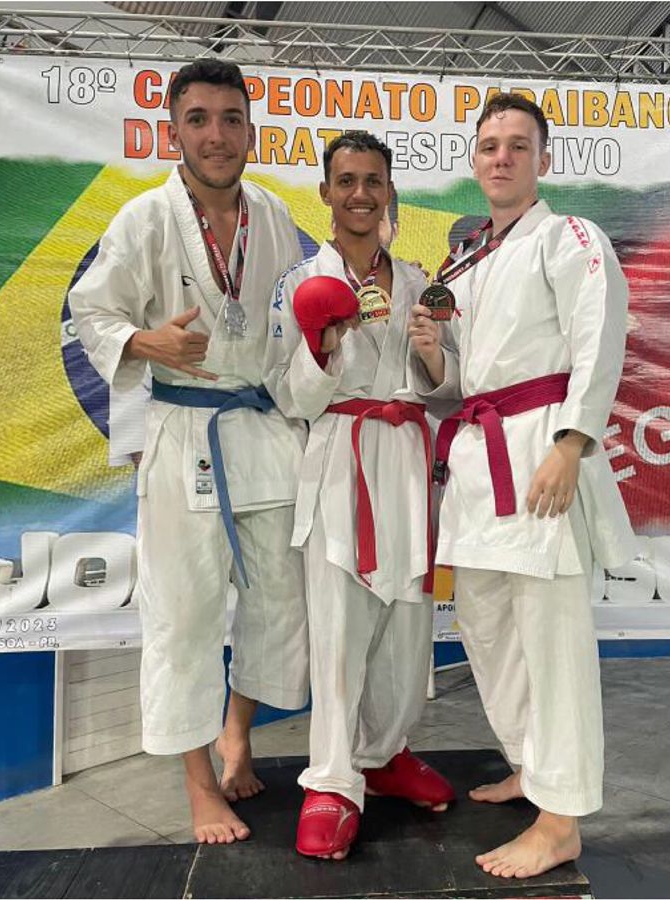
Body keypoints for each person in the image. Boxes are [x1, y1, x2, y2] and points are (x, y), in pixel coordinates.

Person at [65, 57, 309, 844]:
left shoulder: (272, 214)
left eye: (231, 118)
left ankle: (240, 733)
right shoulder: (143, 219)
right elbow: (91, 310)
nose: (216, 134)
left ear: (251, 128)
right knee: (185, 612)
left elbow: (290, 318)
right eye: (198, 120)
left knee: (280, 600)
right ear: (173, 131)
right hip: (182, 434)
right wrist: (144, 339)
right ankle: (200, 781)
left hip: (263, 429)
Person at [408, 93, 633, 879]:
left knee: (550, 636)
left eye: (517, 145)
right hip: (476, 460)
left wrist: (572, 443)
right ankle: (533, 768)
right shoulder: (468, 259)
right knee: (488, 626)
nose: (500, 156)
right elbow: (459, 380)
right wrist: (434, 350)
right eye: (489, 145)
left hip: (539, 449)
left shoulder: (570, 238)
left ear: (544, 159)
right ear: (474, 161)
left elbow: (600, 337)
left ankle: (562, 817)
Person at [263, 132, 451, 860]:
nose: (361, 194)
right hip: (341, 460)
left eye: (373, 180)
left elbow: (444, 387)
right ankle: (334, 782)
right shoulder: (296, 284)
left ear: (389, 189)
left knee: (406, 631)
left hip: (403, 458)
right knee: (340, 633)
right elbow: (291, 396)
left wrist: (433, 357)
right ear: (326, 193)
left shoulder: (417, 279)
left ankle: (385, 752)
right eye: (347, 181)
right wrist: (320, 343)